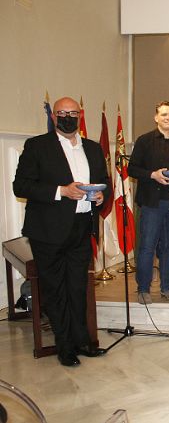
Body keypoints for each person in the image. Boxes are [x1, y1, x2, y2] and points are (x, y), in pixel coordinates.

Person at [13, 96, 111, 367]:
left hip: (81, 228)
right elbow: (21, 186)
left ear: (79, 116)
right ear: (54, 117)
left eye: (73, 113)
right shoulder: (37, 146)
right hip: (48, 231)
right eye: (62, 113)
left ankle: (83, 342)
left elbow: (104, 182)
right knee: (56, 291)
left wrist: (102, 197)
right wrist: (61, 191)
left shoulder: (91, 148)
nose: (68, 117)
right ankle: (64, 347)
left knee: (78, 288)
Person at [129, 101, 169, 304]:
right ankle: (143, 288)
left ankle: (167, 287)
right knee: (147, 246)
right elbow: (132, 169)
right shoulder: (144, 141)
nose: (168, 118)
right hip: (151, 203)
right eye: (164, 115)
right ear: (156, 117)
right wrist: (152, 174)